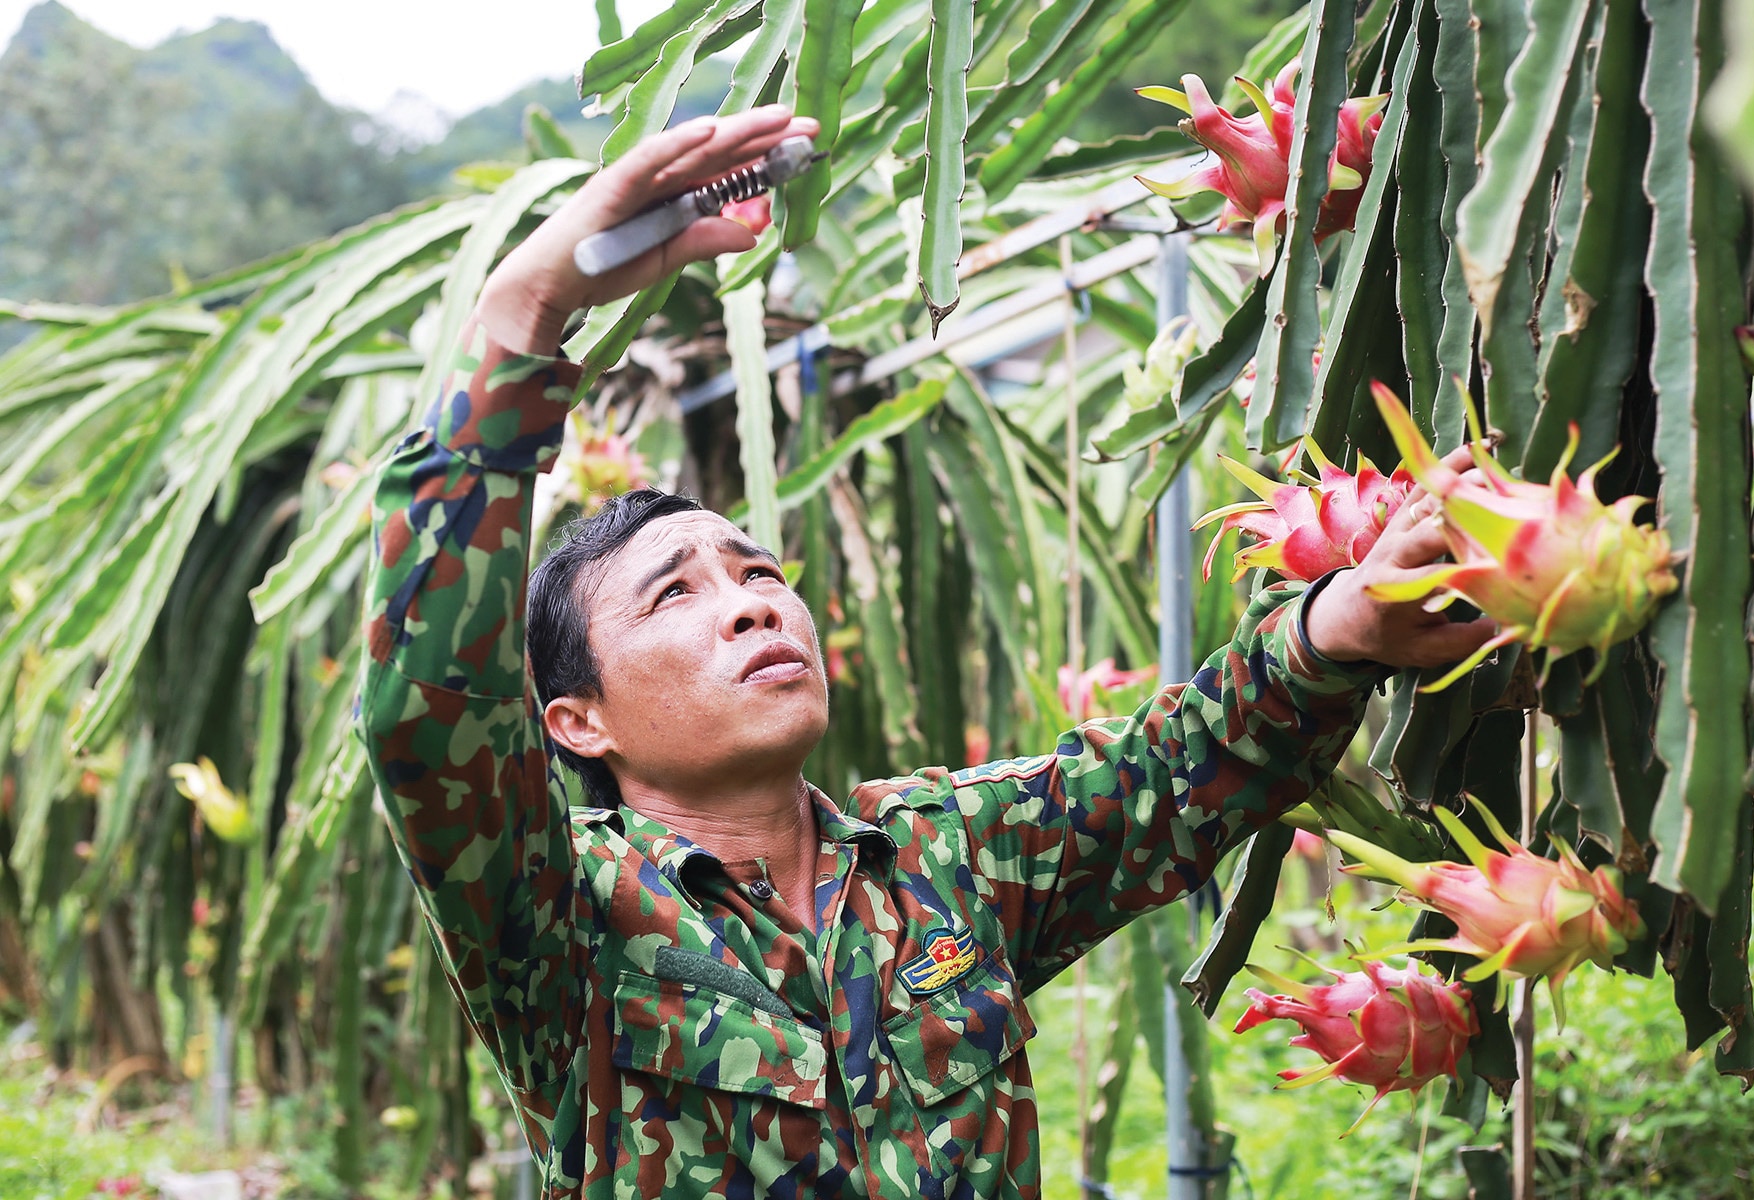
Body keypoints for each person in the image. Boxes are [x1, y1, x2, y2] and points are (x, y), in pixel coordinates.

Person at [357, 105, 1497, 1200]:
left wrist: (1335, 627)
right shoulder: (559, 922)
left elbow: (1167, 775)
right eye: (674, 598)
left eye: (758, 575)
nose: (752, 607)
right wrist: (524, 313)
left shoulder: (946, 860)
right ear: (578, 720)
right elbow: (427, 715)